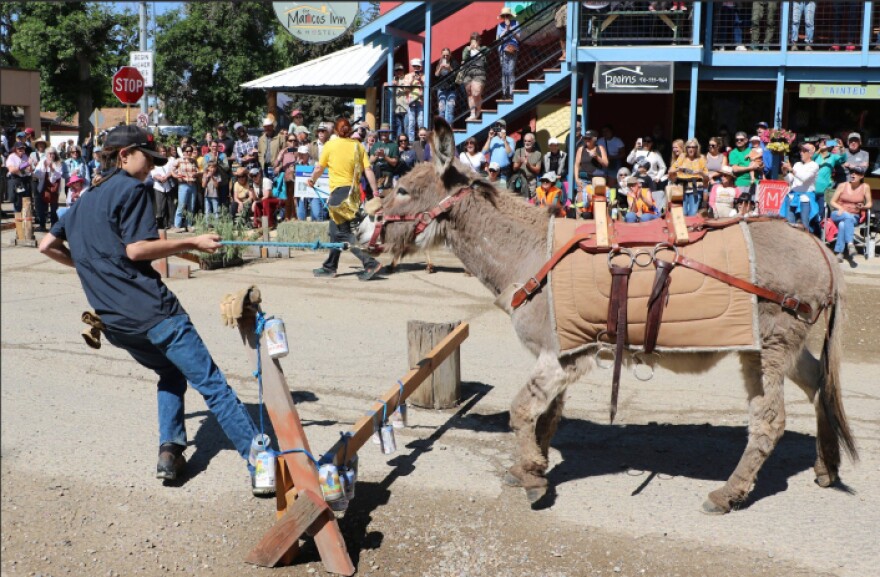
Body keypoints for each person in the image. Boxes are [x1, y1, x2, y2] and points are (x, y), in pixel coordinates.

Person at [37, 125, 268, 495]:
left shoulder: (84, 199)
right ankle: (261, 463)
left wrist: (89, 267)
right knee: (214, 387)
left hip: (115, 323)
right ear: (124, 155)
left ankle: (170, 451)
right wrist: (190, 240)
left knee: (170, 374)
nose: (152, 168)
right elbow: (135, 250)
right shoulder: (132, 188)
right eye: (149, 159)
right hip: (155, 314)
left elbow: (46, 245)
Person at [309, 118, 382, 281]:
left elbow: (319, 168)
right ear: (350, 131)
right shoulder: (358, 146)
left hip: (339, 195)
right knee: (336, 232)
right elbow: (368, 170)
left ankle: (370, 263)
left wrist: (312, 180)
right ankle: (330, 266)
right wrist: (376, 192)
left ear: (335, 130)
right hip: (354, 196)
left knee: (342, 234)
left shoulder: (330, 145)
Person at [828, 165, 871, 262]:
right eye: (852, 173)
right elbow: (832, 202)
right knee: (846, 217)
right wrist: (840, 207)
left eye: (857, 173)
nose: (853, 175)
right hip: (838, 214)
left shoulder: (865, 187)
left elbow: (869, 203)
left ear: (862, 176)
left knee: (843, 224)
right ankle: (850, 244)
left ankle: (839, 252)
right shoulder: (842, 185)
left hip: (854, 216)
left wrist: (863, 207)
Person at [780, 143, 819, 230]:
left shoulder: (814, 165)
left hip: (805, 199)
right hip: (792, 197)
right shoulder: (797, 164)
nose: (801, 152)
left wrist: (791, 169)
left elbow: (804, 178)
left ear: (810, 153)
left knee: (805, 225)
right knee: (789, 224)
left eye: (804, 151)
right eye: (801, 150)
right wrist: (785, 172)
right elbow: (789, 180)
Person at [669, 139, 708, 216]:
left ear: (697, 148)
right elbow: (671, 170)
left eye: (694, 147)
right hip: (682, 188)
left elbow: (707, 177)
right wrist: (678, 169)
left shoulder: (701, 158)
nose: (691, 149)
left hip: (695, 188)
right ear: (686, 148)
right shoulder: (682, 156)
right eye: (689, 147)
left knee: (692, 213)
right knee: (682, 213)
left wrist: (700, 172)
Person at [574, 129, 609, 202]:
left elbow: (606, 164)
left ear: (594, 139)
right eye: (585, 138)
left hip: (597, 179)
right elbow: (576, 165)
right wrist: (577, 179)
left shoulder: (600, 148)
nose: (587, 140)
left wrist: (597, 157)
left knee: (599, 199)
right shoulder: (581, 149)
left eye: (589, 139)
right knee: (581, 200)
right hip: (584, 179)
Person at [461, 32, 489, 121]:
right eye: (473, 40)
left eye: (476, 40)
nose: (474, 42)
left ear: (479, 41)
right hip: (468, 71)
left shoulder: (482, 48)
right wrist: (469, 49)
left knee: (476, 93)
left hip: (479, 71)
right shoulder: (467, 49)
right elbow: (464, 58)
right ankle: (472, 114)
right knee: (470, 94)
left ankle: (478, 110)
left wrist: (478, 49)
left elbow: (489, 51)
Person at [172, 144, 200, 231]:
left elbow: (197, 171)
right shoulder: (179, 161)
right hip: (183, 184)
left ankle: (189, 225)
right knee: (181, 205)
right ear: (183, 152)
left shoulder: (194, 161)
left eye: (190, 151)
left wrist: (197, 173)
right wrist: (177, 177)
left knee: (191, 206)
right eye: (187, 151)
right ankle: (177, 226)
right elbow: (172, 171)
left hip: (192, 184)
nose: (188, 153)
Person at [35, 146, 63, 228]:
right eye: (49, 153)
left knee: (54, 208)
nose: (51, 155)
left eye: (53, 153)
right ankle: (42, 225)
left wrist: (51, 169)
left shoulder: (58, 163)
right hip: (44, 187)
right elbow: (38, 174)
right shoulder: (42, 162)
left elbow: (58, 176)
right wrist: (44, 167)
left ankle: (53, 225)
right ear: (46, 154)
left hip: (54, 188)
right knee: (42, 207)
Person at [273, 132, 299, 222]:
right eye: (290, 140)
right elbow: (275, 164)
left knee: (295, 199)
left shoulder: (298, 151)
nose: (292, 142)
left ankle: (296, 217)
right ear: (287, 141)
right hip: (287, 179)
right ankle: (288, 217)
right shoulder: (284, 151)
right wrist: (280, 157)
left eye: (294, 140)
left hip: (297, 178)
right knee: (288, 198)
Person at [496, 7, 521, 101]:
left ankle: (511, 93)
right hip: (503, 50)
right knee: (504, 72)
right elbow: (498, 38)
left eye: (507, 15)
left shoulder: (516, 23)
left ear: (510, 16)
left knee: (510, 71)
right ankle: (504, 92)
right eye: (504, 16)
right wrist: (506, 29)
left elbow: (519, 38)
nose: (506, 17)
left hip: (513, 49)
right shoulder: (500, 25)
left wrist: (511, 29)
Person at [150, 145, 176, 229]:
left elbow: (172, 170)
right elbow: (153, 173)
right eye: (160, 151)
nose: (162, 153)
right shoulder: (154, 161)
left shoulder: (170, 160)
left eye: (164, 151)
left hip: (169, 185)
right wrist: (160, 178)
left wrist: (166, 176)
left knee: (171, 206)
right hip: (158, 186)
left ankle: (171, 223)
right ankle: (162, 225)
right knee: (161, 207)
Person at [510, 133, 542, 198]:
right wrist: (520, 162)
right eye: (525, 141)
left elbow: (537, 170)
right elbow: (514, 168)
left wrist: (528, 164)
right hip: (520, 180)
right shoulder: (518, 151)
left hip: (531, 181)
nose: (526, 143)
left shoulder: (538, 154)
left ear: (533, 142)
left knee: (531, 201)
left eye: (529, 141)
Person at [6, 142, 33, 216]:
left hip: (24, 179)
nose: (21, 150)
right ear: (15, 149)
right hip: (16, 180)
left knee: (26, 200)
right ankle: (18, 222)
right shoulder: (11, 157)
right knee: (18, 202)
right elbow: (12, 170)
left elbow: (29, 169)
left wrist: (29, 167)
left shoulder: (25, 156)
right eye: (19, 148)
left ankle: (25, 220)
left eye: (23, 148)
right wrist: (24, 165)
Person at [370, 123, 399, 193]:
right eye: (382, 132)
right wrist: (377, 155)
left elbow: (394, 163)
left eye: (386, 132)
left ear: (389, 133)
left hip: (387, 172)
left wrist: (384, 156)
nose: (384, 134)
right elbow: (371, 160)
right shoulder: (376, 144)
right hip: (376, 173)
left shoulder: (394, 145)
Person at [402, 59, 425, 142]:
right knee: (411, 122)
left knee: (421, 122)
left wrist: (420, 80)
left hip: (421, 101)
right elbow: (405, 89)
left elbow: (426, 88)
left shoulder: (423, 76)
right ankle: (411, 141)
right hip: (411, 101)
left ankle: (421, 139)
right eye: (414, 66)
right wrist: (412, 80)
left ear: (420, 67)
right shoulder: (407, 76)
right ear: (412, 67)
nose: (416, 68)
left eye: (418, 66)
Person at [435, 47, 457, 125]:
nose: (445, 57)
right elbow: (436, 75)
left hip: (451, 88)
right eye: (443, 55)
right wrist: (440, 67)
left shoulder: (453, 63)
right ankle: (442, 127)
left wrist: (449, 68)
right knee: (442, 110)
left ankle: (449, 128)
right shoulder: (439, 63)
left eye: (447, 55)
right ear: (441, 55)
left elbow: (456, 75)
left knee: (450, 109)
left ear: (450, 55)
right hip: (441, 88)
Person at [390, 64, 409, 139]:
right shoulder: (391, 79)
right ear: (394, 72)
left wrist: (397, 84)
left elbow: (408, 89)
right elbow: (385, 85)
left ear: (403, 71)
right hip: (396, 107)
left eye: (400, 70)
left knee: (406, 125)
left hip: (405, 107)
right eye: (397, 70)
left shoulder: (406, 79)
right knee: (398, 126)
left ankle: (407, 140)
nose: (399, 72)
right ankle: (399, 141)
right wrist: (386, 84)